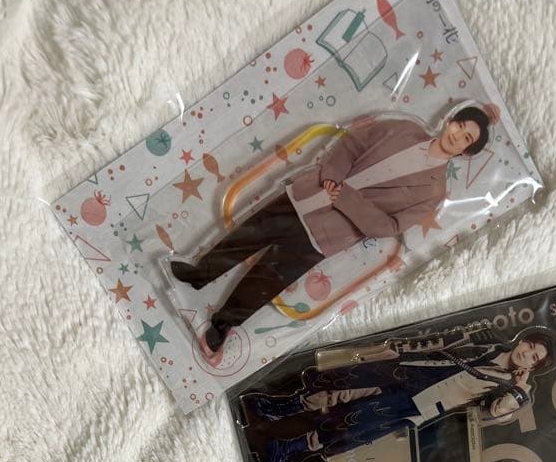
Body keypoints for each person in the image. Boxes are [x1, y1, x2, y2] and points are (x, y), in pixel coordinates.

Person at [170, 104, 497, 349]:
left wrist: (348, 200)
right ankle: (199, 273)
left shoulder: (434, 191)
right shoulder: (404, 129)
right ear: (450, 121)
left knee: (267, 279)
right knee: (247, 236)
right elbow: (354, 141)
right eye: (460, 125)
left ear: (466, 151)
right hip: (307, 194)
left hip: (329, 233)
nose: (457, 135)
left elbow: (390, 225)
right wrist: (332, 175)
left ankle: (223, 324)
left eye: (466, 138)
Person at [241, 326, 556, 462]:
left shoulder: (505, 386)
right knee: (340, 388)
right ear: (523, 340)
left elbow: (496, 411)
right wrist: (395, 349)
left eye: (534, 357)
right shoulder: (486, 338)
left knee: (352, 425)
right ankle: (275, 408)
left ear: (533, 367)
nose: (526, 353)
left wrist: (520, 390)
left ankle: (288, 449)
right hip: (407, 369)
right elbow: (441, 340)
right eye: (530, 345)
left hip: (417, 405)